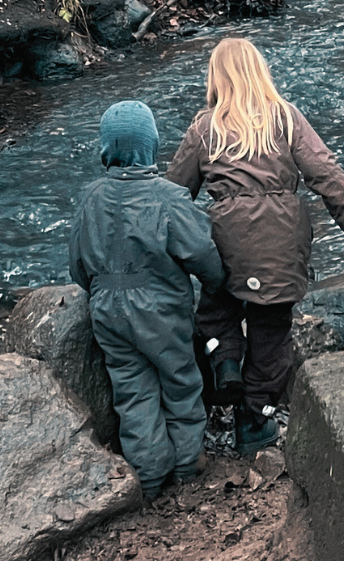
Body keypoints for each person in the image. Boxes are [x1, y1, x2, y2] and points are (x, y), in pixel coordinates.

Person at [167, 37, 344, 456]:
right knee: (272, 331)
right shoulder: (286, 119)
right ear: (260, 73)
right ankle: (254, 420)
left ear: (217, 78)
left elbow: (174, 195)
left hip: (225, 241)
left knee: (216, 309)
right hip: (282, 243)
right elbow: (328, 176)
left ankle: (226, 362)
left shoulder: (205, 127)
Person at [69, 100, 225, 500]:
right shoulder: (169, 197)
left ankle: (151, 476)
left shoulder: (90, 197)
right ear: (153, 145)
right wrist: (216, 283)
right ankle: (188, 463)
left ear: (106, 150)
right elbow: (202, 255)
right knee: (180, 382)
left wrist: (100, 291)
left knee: (132, 391)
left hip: (107, 310)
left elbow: (77, 265)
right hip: (162, 311)